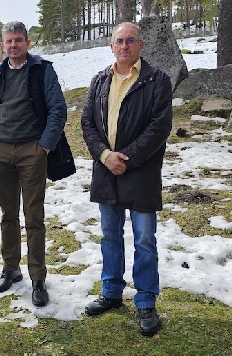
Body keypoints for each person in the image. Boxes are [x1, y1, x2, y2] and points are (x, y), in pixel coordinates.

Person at [81, 22, 172, 336]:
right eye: (119, 41)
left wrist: (126, 158)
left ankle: (146, 300)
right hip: (106, 172)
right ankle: (111, 292)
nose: (124, 46)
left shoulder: (157, 80)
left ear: (141, 45)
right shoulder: (99, 81)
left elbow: (159, 128)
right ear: (111, 46)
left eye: (130, 40)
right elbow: (87, 124)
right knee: (110, 236)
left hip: (142, 173)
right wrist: (105, 155)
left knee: (145, 240)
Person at [0, 21, 67, 307]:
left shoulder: (42, 70)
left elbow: (58, 108)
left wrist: (45, 146)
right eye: (9, 41)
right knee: (8, 214)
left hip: (33, 150)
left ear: (27, 43)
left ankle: (38, 277)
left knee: (34, 216)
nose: (14, 45)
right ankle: (11, 269)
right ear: (3, 45)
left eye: (18, 40)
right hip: (0, 151)